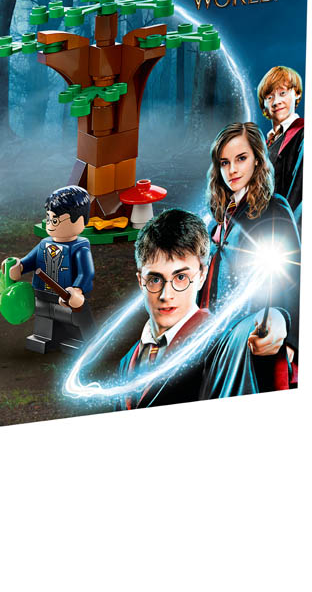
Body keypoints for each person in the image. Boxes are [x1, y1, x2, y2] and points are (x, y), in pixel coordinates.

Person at [117, 209, 259, 408]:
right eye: (155, 279)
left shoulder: (219, 345)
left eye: (180, 277)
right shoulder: (126, 363)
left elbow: (243, 335)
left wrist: (277, 317)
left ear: (202, 275)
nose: (166, 295)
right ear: (141, 281)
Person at [197, 121, 299, 390]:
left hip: (258, 337)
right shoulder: (216, 221)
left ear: (257, 160)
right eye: (224, 162)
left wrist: (291, 340)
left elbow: (295, 274)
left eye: (241, 158)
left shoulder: (274, 208)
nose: (232, 169)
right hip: (216, 339)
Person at [4, 185, 95, 354]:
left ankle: (83, 340)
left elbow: (86, 272)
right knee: (44, 315)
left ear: (80, 220)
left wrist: (77, 289)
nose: (51, 224)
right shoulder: (44, 244)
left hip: (67, 296)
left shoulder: (80, 247)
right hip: (43, 294)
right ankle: (44, 337)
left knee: (74, 317)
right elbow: (30, 261)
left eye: (56, 220)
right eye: (49, 218)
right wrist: (19, 266)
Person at [258, 65, 303, 221]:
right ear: (264, 105)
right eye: (269, 97)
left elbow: (299, 190)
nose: (276, 102)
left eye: (282, 93)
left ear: (296, 93)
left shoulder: (303, 134)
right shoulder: (265, 145)